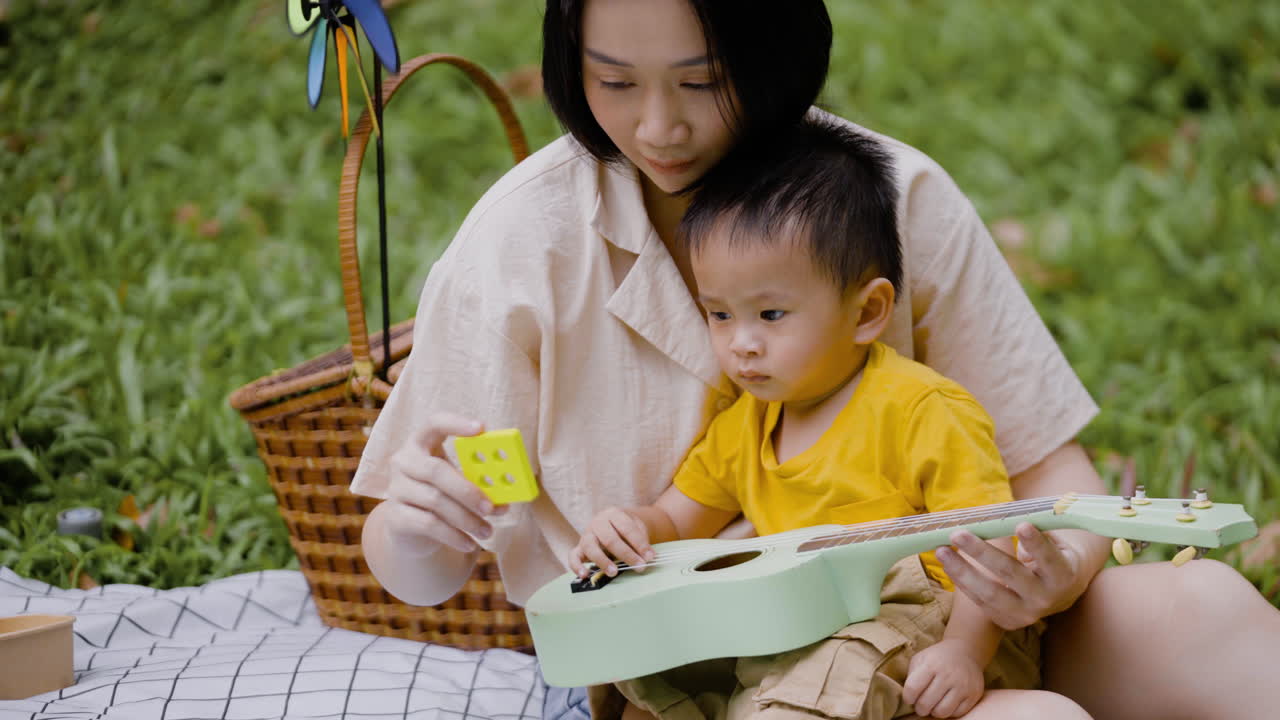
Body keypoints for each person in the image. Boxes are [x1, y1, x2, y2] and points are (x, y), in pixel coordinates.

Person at [349, 2, 1280, 719]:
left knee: (1207, 609)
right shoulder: (522, 242)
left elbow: (1050, 474)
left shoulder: (889, 195)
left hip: (945, 637)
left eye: (703, 81)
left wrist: (1054, 570)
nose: (660, 127)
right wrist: (424, 528)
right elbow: (414, 574)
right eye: (614, 81)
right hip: (705, 681)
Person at [567, 117, 1090, 720]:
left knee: (832, 669)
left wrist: (964, 654)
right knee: (656, 672)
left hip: (933, 625)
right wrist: (626, 529)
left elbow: (984, 548)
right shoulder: (746, 427)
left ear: (866, 312)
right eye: (720, 315)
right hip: (815, 629)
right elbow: (676, 521)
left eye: (770, 314)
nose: (742, 344)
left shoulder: (921, 409)